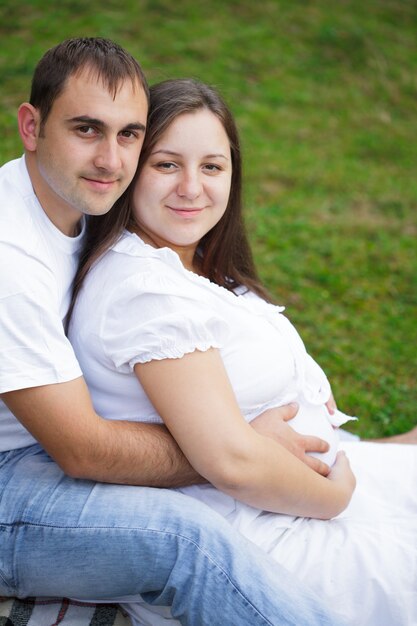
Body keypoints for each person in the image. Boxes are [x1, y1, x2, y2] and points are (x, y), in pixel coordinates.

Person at [0, 37, 350, 626]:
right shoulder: (9, 259)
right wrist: (235, 443)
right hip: (10, 484)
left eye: (130, 133)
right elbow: (83, 450)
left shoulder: (71, 195)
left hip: (38, 443)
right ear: (31, 127)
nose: (111, 159)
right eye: (86, 129)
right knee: (186, 541)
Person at [68, 78, 417, 626]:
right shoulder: (146, 291)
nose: (192, 187)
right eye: (166, 164)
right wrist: (336, 499)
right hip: (263, 537)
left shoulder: (186, 259)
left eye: (212, 166)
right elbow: (231, 464)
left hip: (289, 497)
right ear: (131, 168)